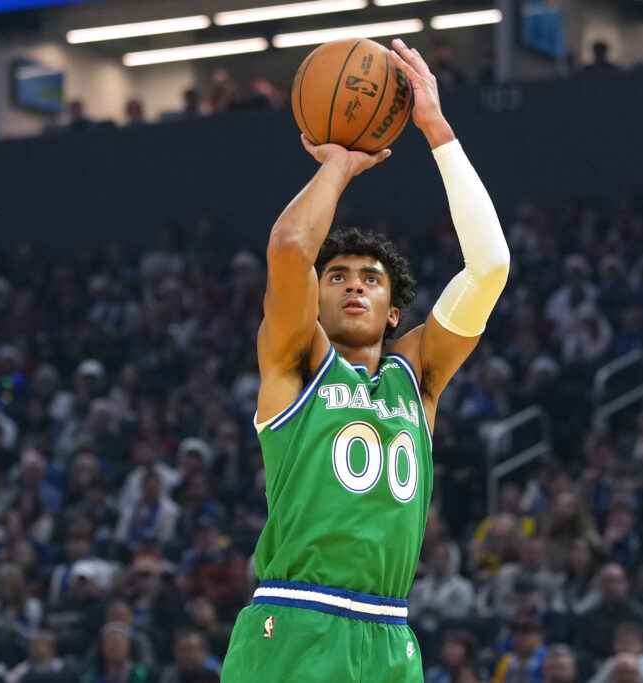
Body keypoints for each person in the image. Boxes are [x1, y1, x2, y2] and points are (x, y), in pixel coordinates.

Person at [221, 38, 509, 682]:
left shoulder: (419, 377)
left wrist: (437, 130)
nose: (354, 285)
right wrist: (339, 165)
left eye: (371, 279)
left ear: (394, 312)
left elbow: (490, 266)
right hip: (295, 620)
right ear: (316, 302)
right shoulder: (296, 362)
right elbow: (290, 247)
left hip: (389, 633)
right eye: (338, 277)